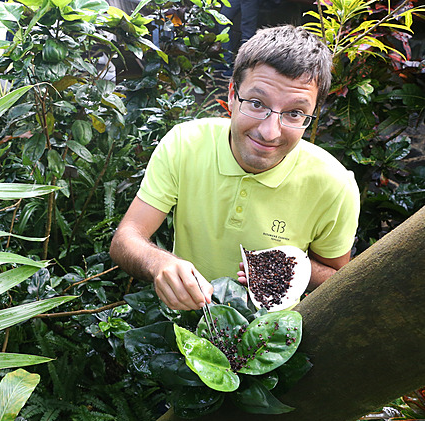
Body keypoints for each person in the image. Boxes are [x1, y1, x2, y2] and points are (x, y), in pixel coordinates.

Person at [109, 25, 360, 311]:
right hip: (186, 321)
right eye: (256, 103)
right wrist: (160, 263)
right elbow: (126, 238)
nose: (269, 131)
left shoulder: (335, 185)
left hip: (269, 339)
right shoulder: (185, 143)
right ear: (231, 95)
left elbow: (340, 280)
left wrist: (288, 264)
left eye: (294, 113)